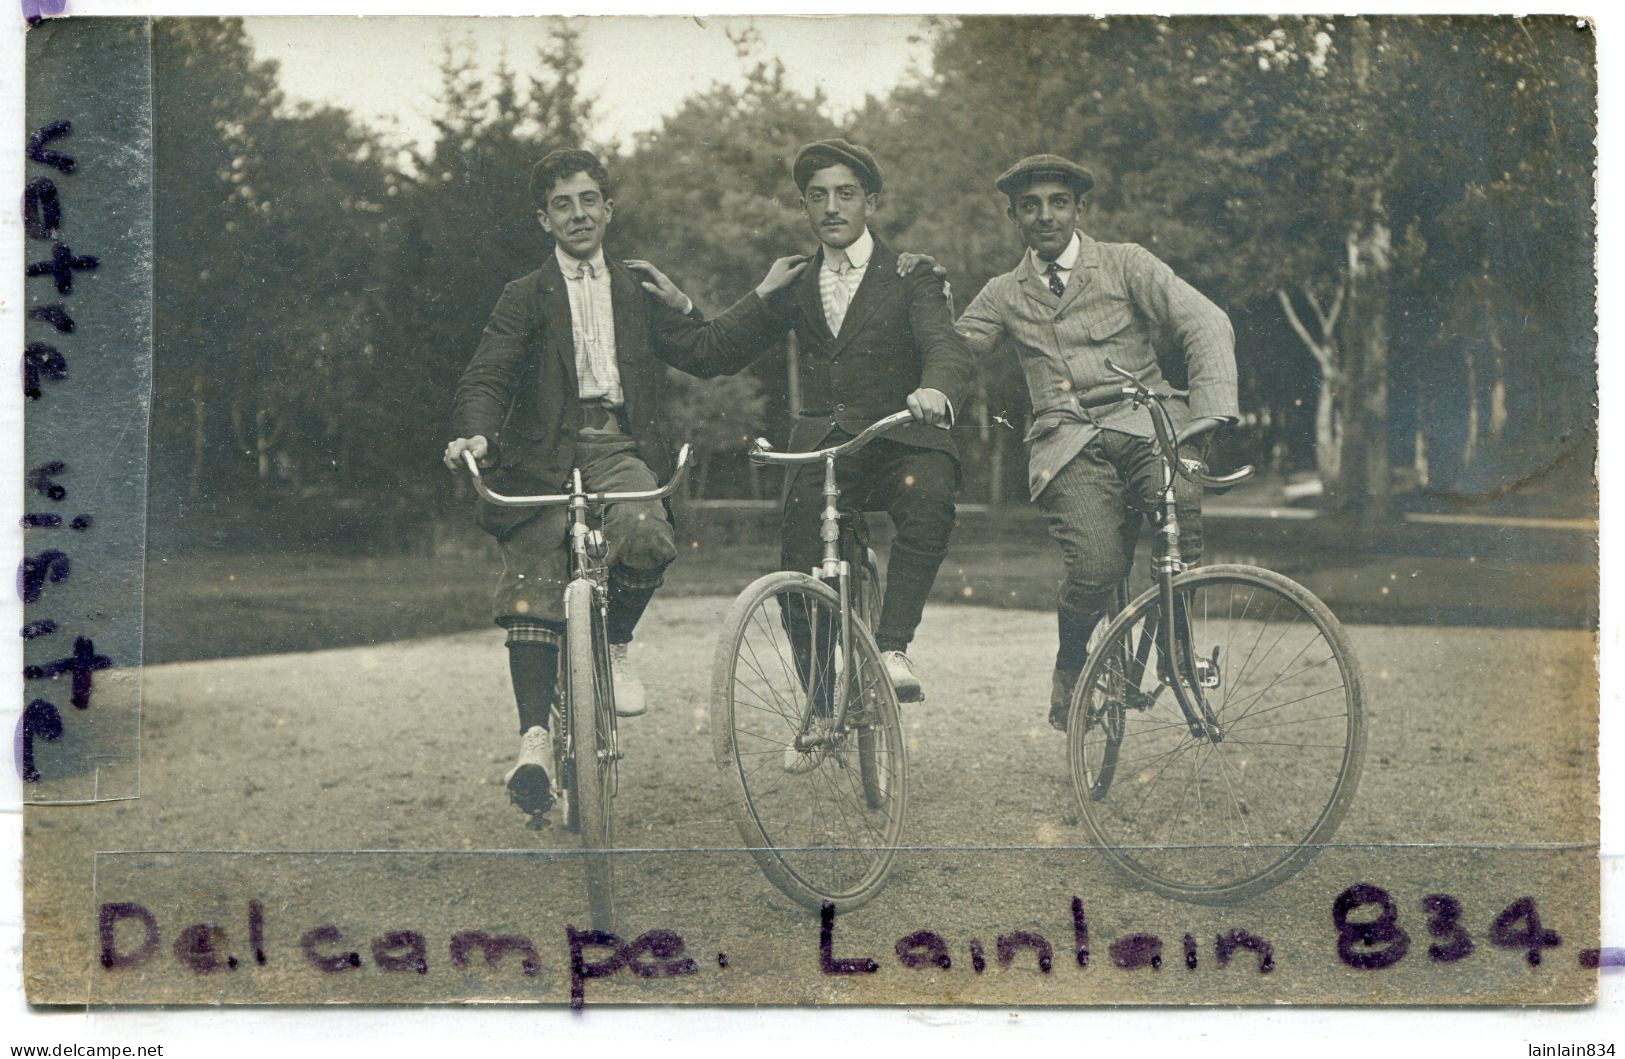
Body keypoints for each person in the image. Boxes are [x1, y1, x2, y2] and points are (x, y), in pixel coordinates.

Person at [444, 148, 805, 817]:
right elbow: (488, 373)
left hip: (618, 448)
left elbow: (707, 350)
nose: (577, 214)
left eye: (589, 200)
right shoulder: (523, 295)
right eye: (562, 204)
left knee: (645, 534)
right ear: (543, 219)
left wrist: (761, 296)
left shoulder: (637, 290)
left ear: (608, 208)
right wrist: (477, 433)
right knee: (533, 578)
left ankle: (613, 642)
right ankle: (534, 741)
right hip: (540, 457)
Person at [633, 139, 973, 763]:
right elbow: (713, 351)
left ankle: (893, 647)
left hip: (900, 435)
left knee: (929, 498)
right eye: (818, 197)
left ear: (871, 201)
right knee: (797, 560)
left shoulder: (911, 274)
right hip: (827, 448)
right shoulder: (793, 281)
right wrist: (681, 306)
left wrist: (935, 389)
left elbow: (944, 345)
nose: (832, 207)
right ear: (804, 207)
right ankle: (819, 705)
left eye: (846, 194)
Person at [908, 153, 1237, 731]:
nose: (1046, 216)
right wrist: (920, 296)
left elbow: (1204, 320)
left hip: (1148, 421)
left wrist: (1205, 417)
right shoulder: (1004, 293)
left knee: (1179, 519)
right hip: (1068, 444)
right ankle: (1070, 665)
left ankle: (1177, 654)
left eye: (1059, 202)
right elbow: (953, 354)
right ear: (1014, 217)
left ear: (1080, 209)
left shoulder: (1126, 263)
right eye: (1030, 206)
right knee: (1095, 566)